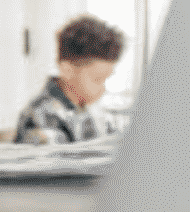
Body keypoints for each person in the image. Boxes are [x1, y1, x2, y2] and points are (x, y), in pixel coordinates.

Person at [15, 13, 125, 144]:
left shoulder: (89, 109)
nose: (103, 89)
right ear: (67, 70)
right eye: (97, 79)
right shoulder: (41, 115)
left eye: (106, 79)